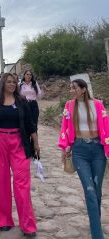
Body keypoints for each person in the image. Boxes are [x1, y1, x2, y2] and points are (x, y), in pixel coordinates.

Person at [0, 73, 39, 237]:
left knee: (22, 184)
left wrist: (36, 144)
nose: (12, 84)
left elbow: (31, 125)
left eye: (14, 82)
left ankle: (28, 225)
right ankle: (3, 220)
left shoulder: (22, 101)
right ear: (3, 83)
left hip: (19, 143)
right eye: (9, 82)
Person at [58, 79, 109, 239]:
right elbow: (65, 126)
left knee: (97, 191)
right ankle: (97, 234)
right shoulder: (69, 105)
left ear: (83, 89)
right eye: (70, 88)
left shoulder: (98, 105)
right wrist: (65, 146)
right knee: (90, 190)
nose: (71, 91)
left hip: (98, 151)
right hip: (79, 151)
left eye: (74, 88)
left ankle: (95, 224)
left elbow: (106, 126)